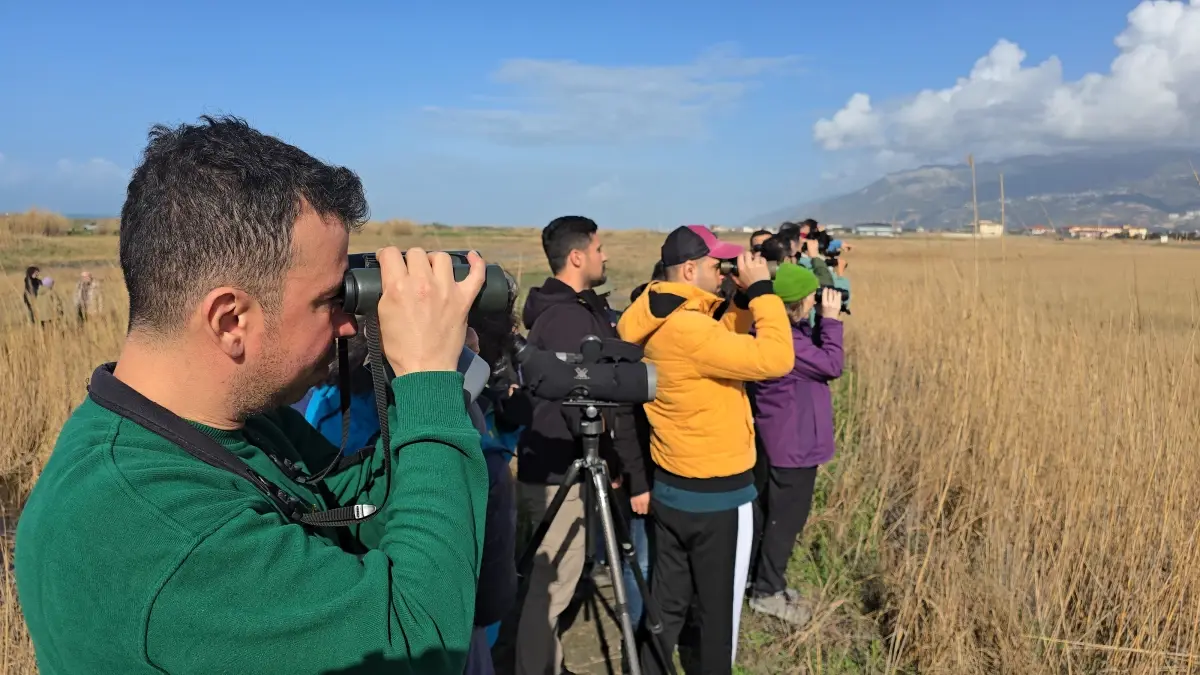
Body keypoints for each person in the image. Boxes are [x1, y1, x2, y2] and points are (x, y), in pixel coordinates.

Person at [14, 116, 490, 675]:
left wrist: (436, 369)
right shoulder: (156, 530)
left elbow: (371, 507)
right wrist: (427, 380)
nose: (347, 326)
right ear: (230, 318)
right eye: (328, 301)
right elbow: (422, 644)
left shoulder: (209, 424)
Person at [617, 225, 794, 675]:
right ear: (690, 269)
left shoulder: (658, 316)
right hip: (719, 499)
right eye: (718, 266)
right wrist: (763, 293)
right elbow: (775, 360)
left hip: (674, 490)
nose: (724, 272)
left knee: (668, 605)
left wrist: (735, 302)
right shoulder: (689, 330)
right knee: (718, 618)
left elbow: (718, 351)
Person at [515, 215, 647, 675]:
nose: (604, 255)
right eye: (598, 247)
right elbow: (585, 398)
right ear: (577, 256)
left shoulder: (559, 311)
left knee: (554, 578)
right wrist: (610, 456)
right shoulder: (571, 318)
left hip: (553, 461)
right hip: (559, 470)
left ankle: (546, 660)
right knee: (551, 586)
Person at [747, 264, 844, 626]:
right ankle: (767, 593)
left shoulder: (775, 334)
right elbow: (832, 364)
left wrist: (815, 321)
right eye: (811, 298)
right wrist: (831, 321)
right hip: (794, 447)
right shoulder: (788, 344)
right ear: (801, 303)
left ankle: (760, 580)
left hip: (783, 442)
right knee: (784, 522)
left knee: (770, 516)